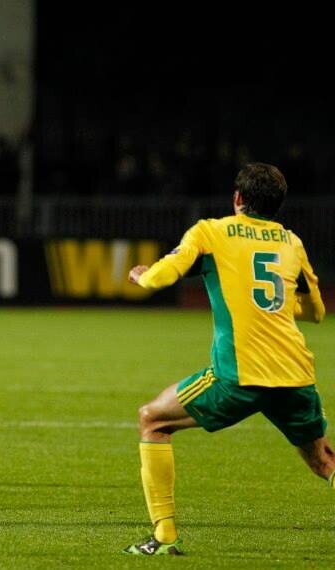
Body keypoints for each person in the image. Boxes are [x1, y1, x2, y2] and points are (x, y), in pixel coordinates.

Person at [124, 163, 331, 555]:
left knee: (153, 419)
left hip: (238, 375)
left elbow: (162, 277)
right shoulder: (292, 242)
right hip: (295, 375)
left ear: (238, 199)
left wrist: (142, 276)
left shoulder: (211, 231)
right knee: (323, 460)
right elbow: (317, 310)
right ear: (276, 206)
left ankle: (164, 538)